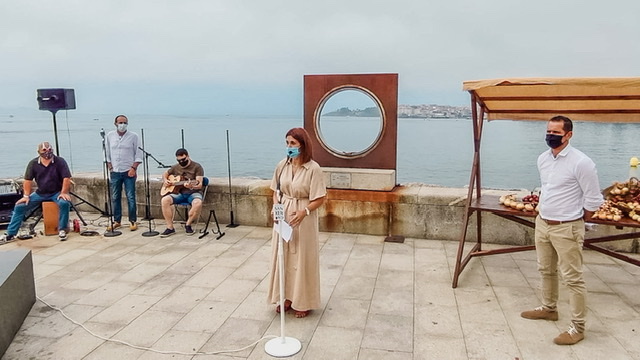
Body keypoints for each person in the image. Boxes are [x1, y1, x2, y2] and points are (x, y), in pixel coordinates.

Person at [521, 116, 604, 345]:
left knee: (573, 279)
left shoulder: (581, 162)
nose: (551, 136)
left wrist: (576, 219)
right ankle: (549, 308)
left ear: (568, 135)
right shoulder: (543, 159)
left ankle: (577, 327)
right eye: (548, 131)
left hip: (567, 227)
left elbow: (593, 199)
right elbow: (548, 189)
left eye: (556, 132)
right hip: (543, 222)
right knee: (545, 269)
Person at [267, 127, 326, 318]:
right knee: (283, 256)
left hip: (303, 217)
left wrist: (305, 211)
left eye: (293, 143)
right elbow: (276, 191)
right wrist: (275, 207)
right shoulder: (282, 165)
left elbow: (320, 197)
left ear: (302, 144)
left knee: (302, 257)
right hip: (283, 214)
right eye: (287, 143)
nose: (289, 146)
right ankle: (286, 297)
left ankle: (304, 300)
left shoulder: (313, 169)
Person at [2, 142, 72, 241]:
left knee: (64, 203)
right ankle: (11, 233)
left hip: (56, 192)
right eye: (44, 150)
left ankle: (62, 230)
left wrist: (64, 192)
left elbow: (66, 178)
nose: (47, 152)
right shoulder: (33, 163)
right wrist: (26, 196)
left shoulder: (60, 161)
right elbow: (27, 180)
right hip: (40, 193)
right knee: (19, 207)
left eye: (49, 150)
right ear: (39, 152)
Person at [105, 115, 143, 231]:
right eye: (120, 122)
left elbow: (138, 154)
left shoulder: (133, 136)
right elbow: (106, 152)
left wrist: (133, 168)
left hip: (129, 171)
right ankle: (117, 221)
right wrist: (110, 166)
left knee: (130, 196)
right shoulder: (109, 136)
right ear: (115, 123)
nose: (122, 124)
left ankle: (132, 220)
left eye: (125, 122)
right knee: (115, 197)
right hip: (115, 171)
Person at [159, 148, 205, 237]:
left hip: (193, 192)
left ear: (188, 156)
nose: (181, 162)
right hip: (179, 193)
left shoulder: (197, 167)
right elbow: (165, 173)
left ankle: (188, 224)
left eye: (183, 159)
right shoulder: (176, 167)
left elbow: (199, 184)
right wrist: (165, 180)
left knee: (198, 203)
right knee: (165, 200)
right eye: (179, 160)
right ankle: (170, 227)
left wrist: (191, 186)